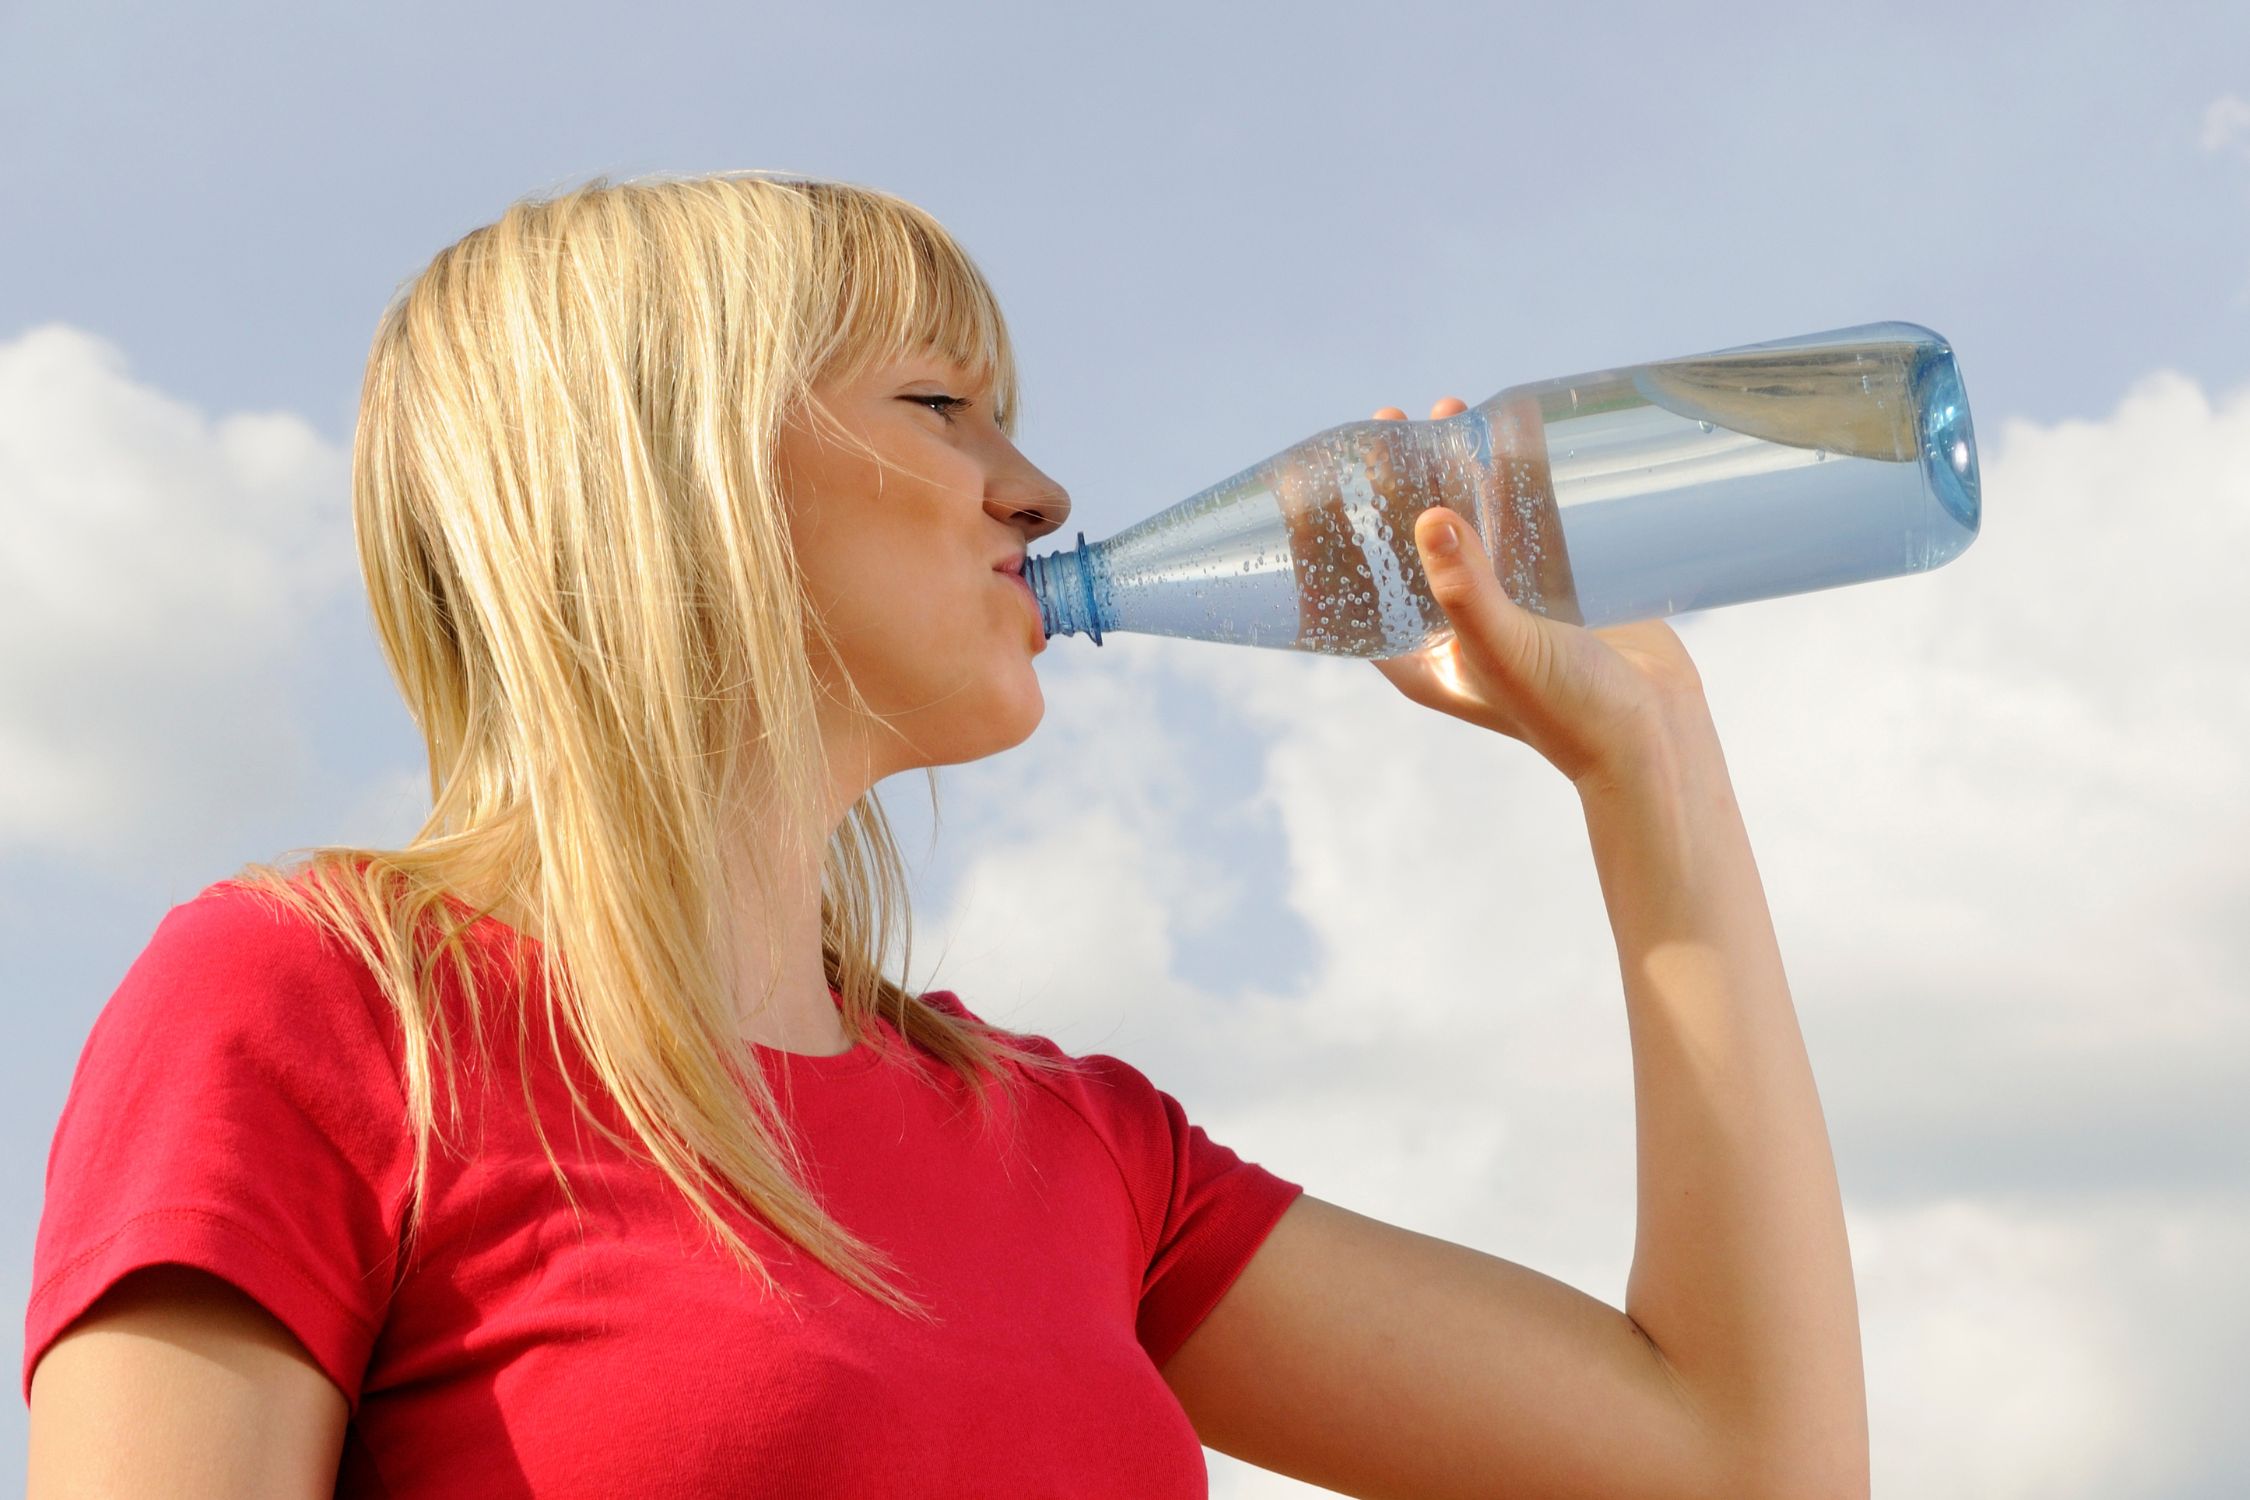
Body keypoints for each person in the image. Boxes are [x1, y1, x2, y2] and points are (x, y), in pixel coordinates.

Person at [22, 172, 1869, 1498]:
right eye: (940, 404)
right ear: (676, 472)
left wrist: (1653, 772)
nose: (1041, 488)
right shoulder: (326, 1008)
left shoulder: (1080, 1151)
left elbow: (1740, 1467)